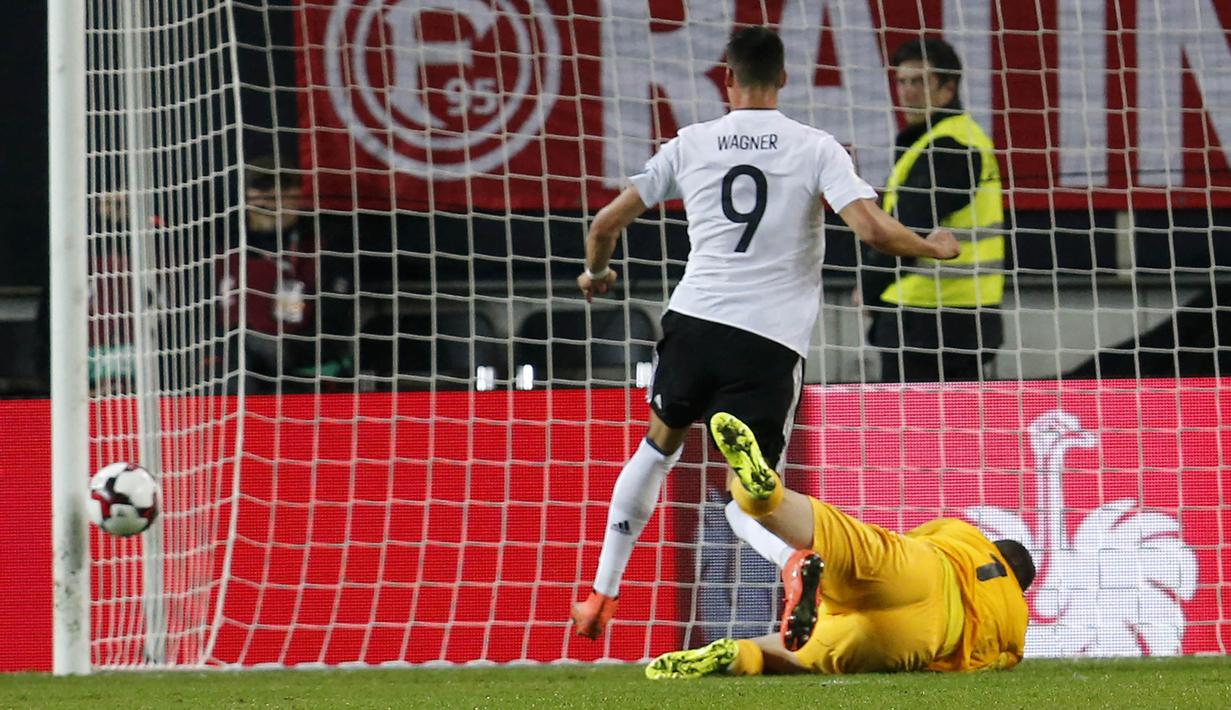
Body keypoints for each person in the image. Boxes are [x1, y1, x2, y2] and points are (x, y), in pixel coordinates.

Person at [571, 26, 961, 639]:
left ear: (727, 78)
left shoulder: (690, 143)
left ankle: (601, 594)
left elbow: (604, 223)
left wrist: (597, 273)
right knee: (749, 492)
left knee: (657, 448)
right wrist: (932, 246)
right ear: (783, 78)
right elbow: (874, 232)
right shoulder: (816, 147)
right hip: (769, 344)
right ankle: (792, 560)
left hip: (696, 322)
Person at [646, 411, 1032, 677]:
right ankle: (738, 655)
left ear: (997, 546)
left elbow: (914, 539)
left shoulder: (966, 536)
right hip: (921, 640)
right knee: (805, 655)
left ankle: (766, 499)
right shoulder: (1016, 623)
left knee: (843, 539)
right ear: (1020, 586)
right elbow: (994, 662)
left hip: (927, 572)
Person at [859, 37, 1005, 382]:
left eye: (919, 82)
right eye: (902, 82)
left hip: (927, 319)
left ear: (948, 88)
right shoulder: (955, 138)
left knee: (911, 431)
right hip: (959, 317)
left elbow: (907, 229)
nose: (907, 92)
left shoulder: (948, 147)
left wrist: (868, 289)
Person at [217, 156, 352, 393]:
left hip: (301, 368)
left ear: (300, 194)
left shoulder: (321, 249)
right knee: (236, 356)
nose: (276, 193)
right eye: (264, 185)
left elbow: (335, 322)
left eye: (286, 185)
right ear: (246, 195)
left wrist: (285, 348)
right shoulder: (223, 254)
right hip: (234, 368)